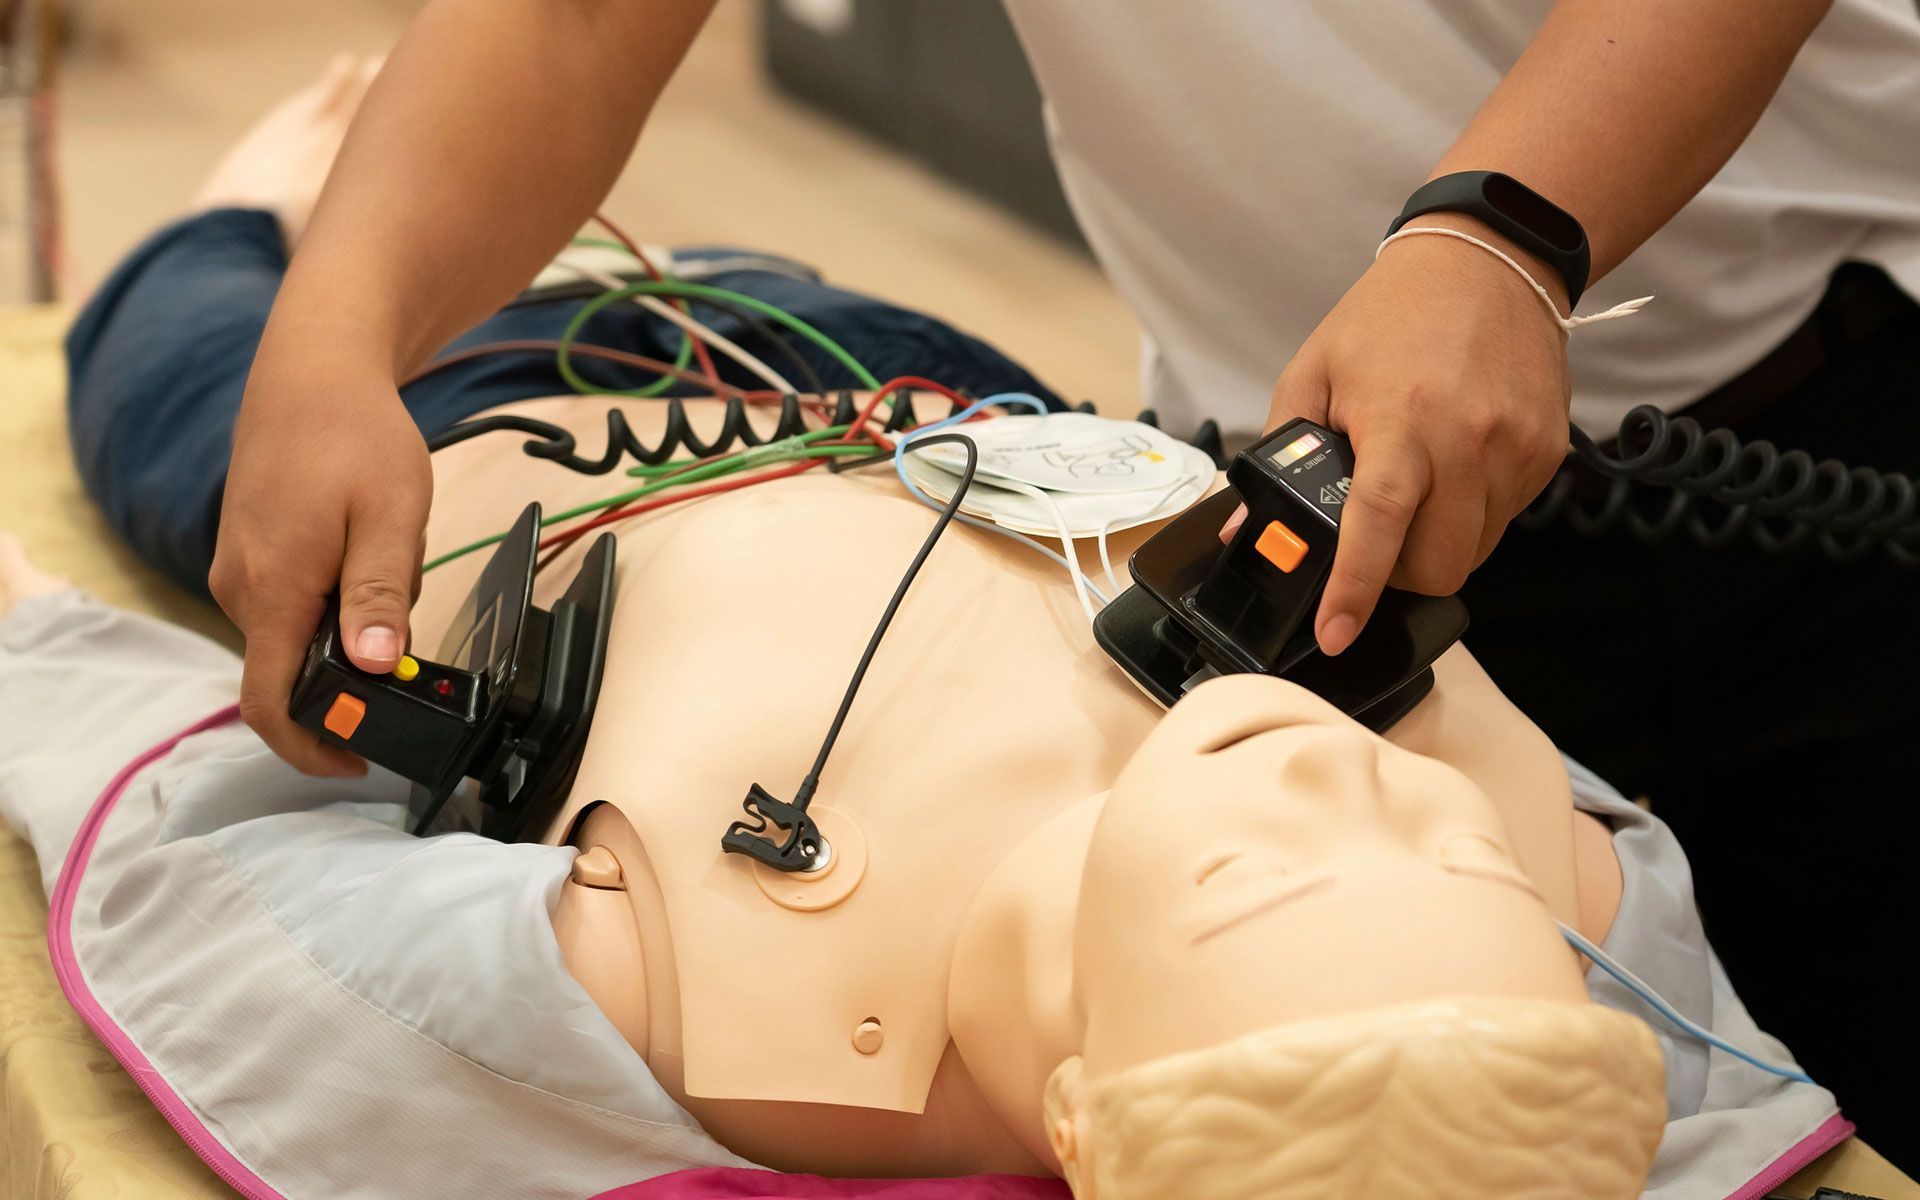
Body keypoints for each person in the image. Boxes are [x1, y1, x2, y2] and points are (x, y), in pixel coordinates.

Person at [194, 5, 1920, 1155]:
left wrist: (1506, 230)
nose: (1333, 782)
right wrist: (335, 325)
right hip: (1237, 468)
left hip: (1803, 424)